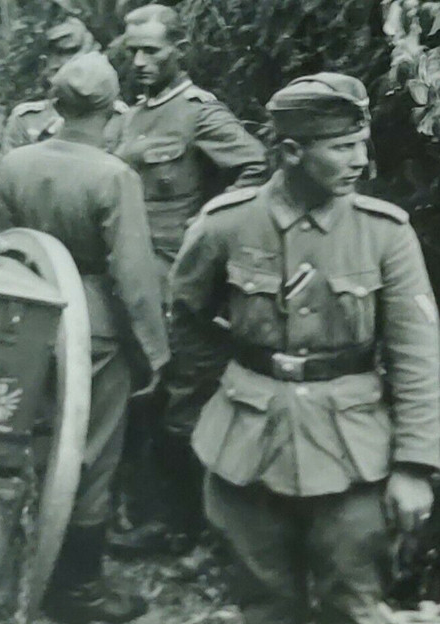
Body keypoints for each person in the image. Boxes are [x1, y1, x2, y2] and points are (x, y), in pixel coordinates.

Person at [171, 73, 440, 624]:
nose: (358, 160)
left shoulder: (382, 232)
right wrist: (220, 397)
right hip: (248, 445)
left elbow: (416, 352)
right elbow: (188, 314)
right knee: (269, 617)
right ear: (289, 151)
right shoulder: (226, 224)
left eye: (360, 143)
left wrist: (413, 465)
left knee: (356, 621)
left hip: (353, 454)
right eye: (340, 146)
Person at [0, 52, 170, 624]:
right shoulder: (114, 176)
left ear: (55, 105)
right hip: (93, 326)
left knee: (16, 430)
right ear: (112, 112)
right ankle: (78, 587)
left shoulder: (16, 160)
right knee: (91, 454)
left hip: (23, 310)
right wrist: (154, 353)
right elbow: (135, 277)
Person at [110, 3, 268, 557]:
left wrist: (210, 221)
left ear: (181, 49)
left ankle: (192, 531)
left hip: (177, 280)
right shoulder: (132, 114)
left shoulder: (199, 112)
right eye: (133, 51)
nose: (142, 61)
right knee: (138, 395)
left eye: (153, 50)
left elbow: (256, 166)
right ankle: (148, 515)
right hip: (130, 276)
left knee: (180, 401)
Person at [0, 17, 126, 155]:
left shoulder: (120, 118)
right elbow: (10, 170)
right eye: (63, 55)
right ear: (45, 65)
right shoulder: (26, 119)